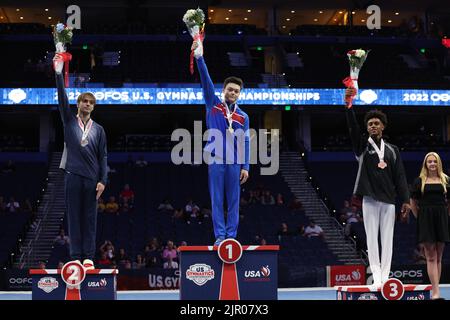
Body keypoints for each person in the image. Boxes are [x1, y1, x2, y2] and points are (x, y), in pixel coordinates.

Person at [345, 88, 410, 288]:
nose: (373, 126)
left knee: (387, 240)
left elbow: (400, 176)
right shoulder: (362, 147)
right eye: (370, 124)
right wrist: (349, 106)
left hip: (389, 199)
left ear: (382, 126)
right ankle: (377, 278)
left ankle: (386, 277)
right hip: (370, 199)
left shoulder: (392, 150)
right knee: (372, 239)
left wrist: (406, 200)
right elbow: (353, 129)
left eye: (376, 123)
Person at [192, 39, 250, 246]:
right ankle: (220, 236)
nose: (232, 92)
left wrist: (246, 167)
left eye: (236, 90)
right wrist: (199, 58)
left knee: (234, 202)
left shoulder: (243, 116)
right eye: (229, 89)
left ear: (239, 94)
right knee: (217, 200)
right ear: (223, 90)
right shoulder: (213, 105)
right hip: (216, 160)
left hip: (235, 162)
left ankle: (231, 237)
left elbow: (245, 143)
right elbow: (206, 80)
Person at [54, 52, 107, 270]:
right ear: (78, 104)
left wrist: (103, 180)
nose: (87, 104)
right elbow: (61, 99)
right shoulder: (68, 121)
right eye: (84, 101)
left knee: (90, 220)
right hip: (73, 176)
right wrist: (58, 74)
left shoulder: (99, 130)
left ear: (94, 107)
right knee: (74, 218)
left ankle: (88, 257)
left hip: (92, 178)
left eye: (91, 102)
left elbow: (103, 156)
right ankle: (75, 255)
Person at [409, 152, 449, 299]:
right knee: (431, 257)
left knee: (439, 257)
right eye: (429, 162)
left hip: (442, 218)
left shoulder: (446, 180)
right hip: (426, 219)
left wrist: (446, 216)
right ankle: (436, 292)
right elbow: (413, 202)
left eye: (434, 161)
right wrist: (419, 217)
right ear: (425, 164)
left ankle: (436, 290)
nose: (432, 164)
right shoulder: (419, 181)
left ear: (438, 163)